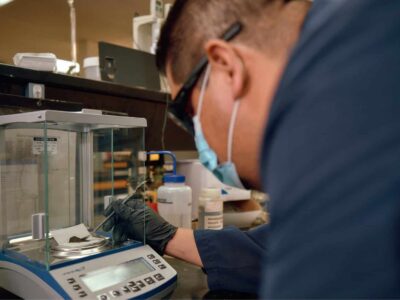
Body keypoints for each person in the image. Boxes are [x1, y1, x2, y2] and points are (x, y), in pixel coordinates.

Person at [104, 0, 400, 297]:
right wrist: (168, 236)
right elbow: (296, 245)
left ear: (226, 67)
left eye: (186, 112)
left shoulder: (331, 100)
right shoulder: (362, 47)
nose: (199, 137)